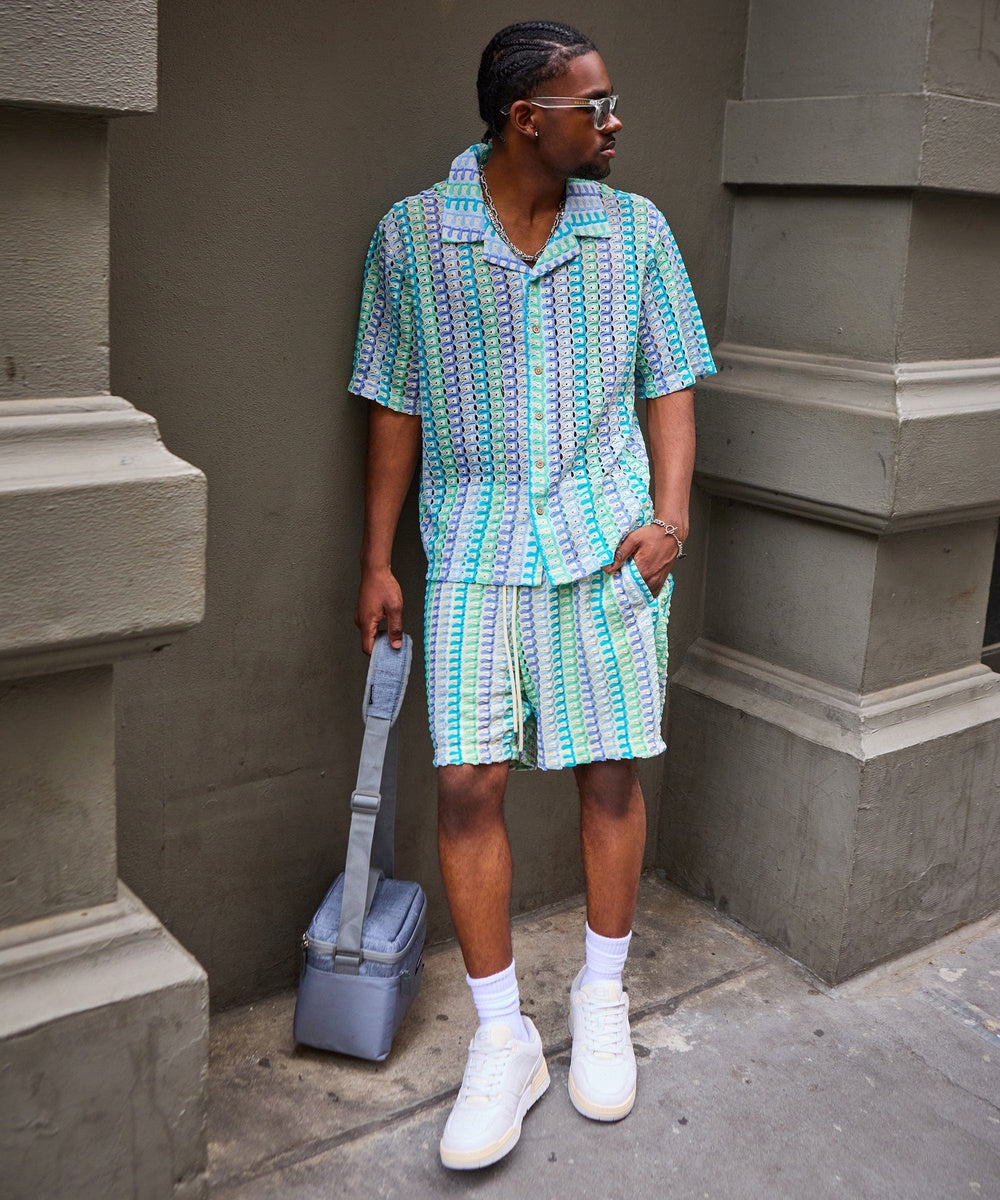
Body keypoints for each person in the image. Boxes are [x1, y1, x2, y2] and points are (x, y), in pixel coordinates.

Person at [350, 20, 715, 1171]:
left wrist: (669, 521)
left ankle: (601, 1002)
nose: (613, 122)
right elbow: (393, 405)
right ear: (527, 118)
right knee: (466, 780)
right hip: (468, 541)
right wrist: (376, 559)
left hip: (606, 542)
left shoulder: (636, 231)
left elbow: (670, 383)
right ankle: (503, 1038)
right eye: (593, 105)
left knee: (611, 768)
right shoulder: (414, 237)